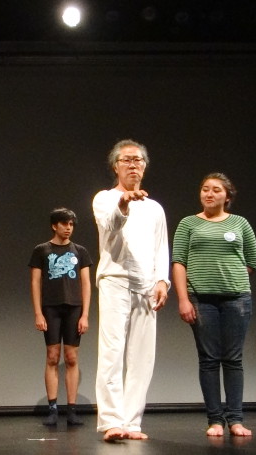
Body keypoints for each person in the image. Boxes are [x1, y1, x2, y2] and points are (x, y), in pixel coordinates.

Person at [92, 139, 170, 442]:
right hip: (115, 279)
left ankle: (132, 422)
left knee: (142, 357)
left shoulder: (155, 208)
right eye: (127, 160)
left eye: (138, 160)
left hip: (147, 285)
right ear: (116, 166)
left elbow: (161, 246)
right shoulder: (104, 198)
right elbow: (109, 225)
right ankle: (111, 420)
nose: (133, 165)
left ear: (145, 166)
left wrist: (162, 280)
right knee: (112, 352)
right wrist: (124, 203)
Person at [172, 172, 256, 437]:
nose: (209, 194)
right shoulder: (188, 223)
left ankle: (236, 419)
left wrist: (230, 278)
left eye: (216, 190)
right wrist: (184, 298)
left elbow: (252, 261)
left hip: (237, 299)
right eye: (205, 189)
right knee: (209, 360)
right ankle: (215, 420)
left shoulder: (240, 223)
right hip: (201, 299)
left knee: (233, 359)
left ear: (228, 196)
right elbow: (178, 262)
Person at [28, 208, 92, 426]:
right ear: (54, 225)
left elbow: (86, 284)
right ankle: (53, 409)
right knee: (53, 356)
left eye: (71, 224)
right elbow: (35, 283)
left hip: (74, 308)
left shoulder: (80, 251)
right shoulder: (42, 250)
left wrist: (85, 314)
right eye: (64, 224)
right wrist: (38, 312)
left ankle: (72, 410)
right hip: (51, 308)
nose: (68, 228)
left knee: (72, 358)